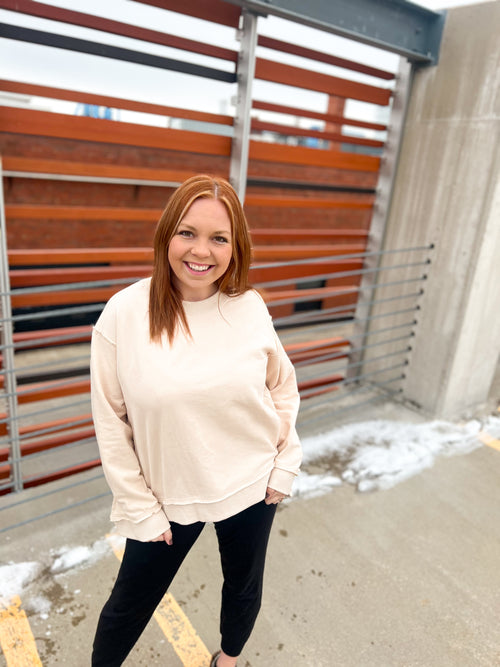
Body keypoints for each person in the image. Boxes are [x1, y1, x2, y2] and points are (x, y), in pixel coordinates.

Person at [90, 174, 302, 667]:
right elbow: (110, 421)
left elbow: (282, 387)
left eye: (218, 238)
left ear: (236, 246)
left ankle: (227, 660)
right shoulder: (124, 314)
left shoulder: (249, 307)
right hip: (165, 500)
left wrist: (284, 463)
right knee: (127, 607)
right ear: (167, 234)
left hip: (252, 483)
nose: (200, 251)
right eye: (188, 232)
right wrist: (139, 507)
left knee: (245, 585)